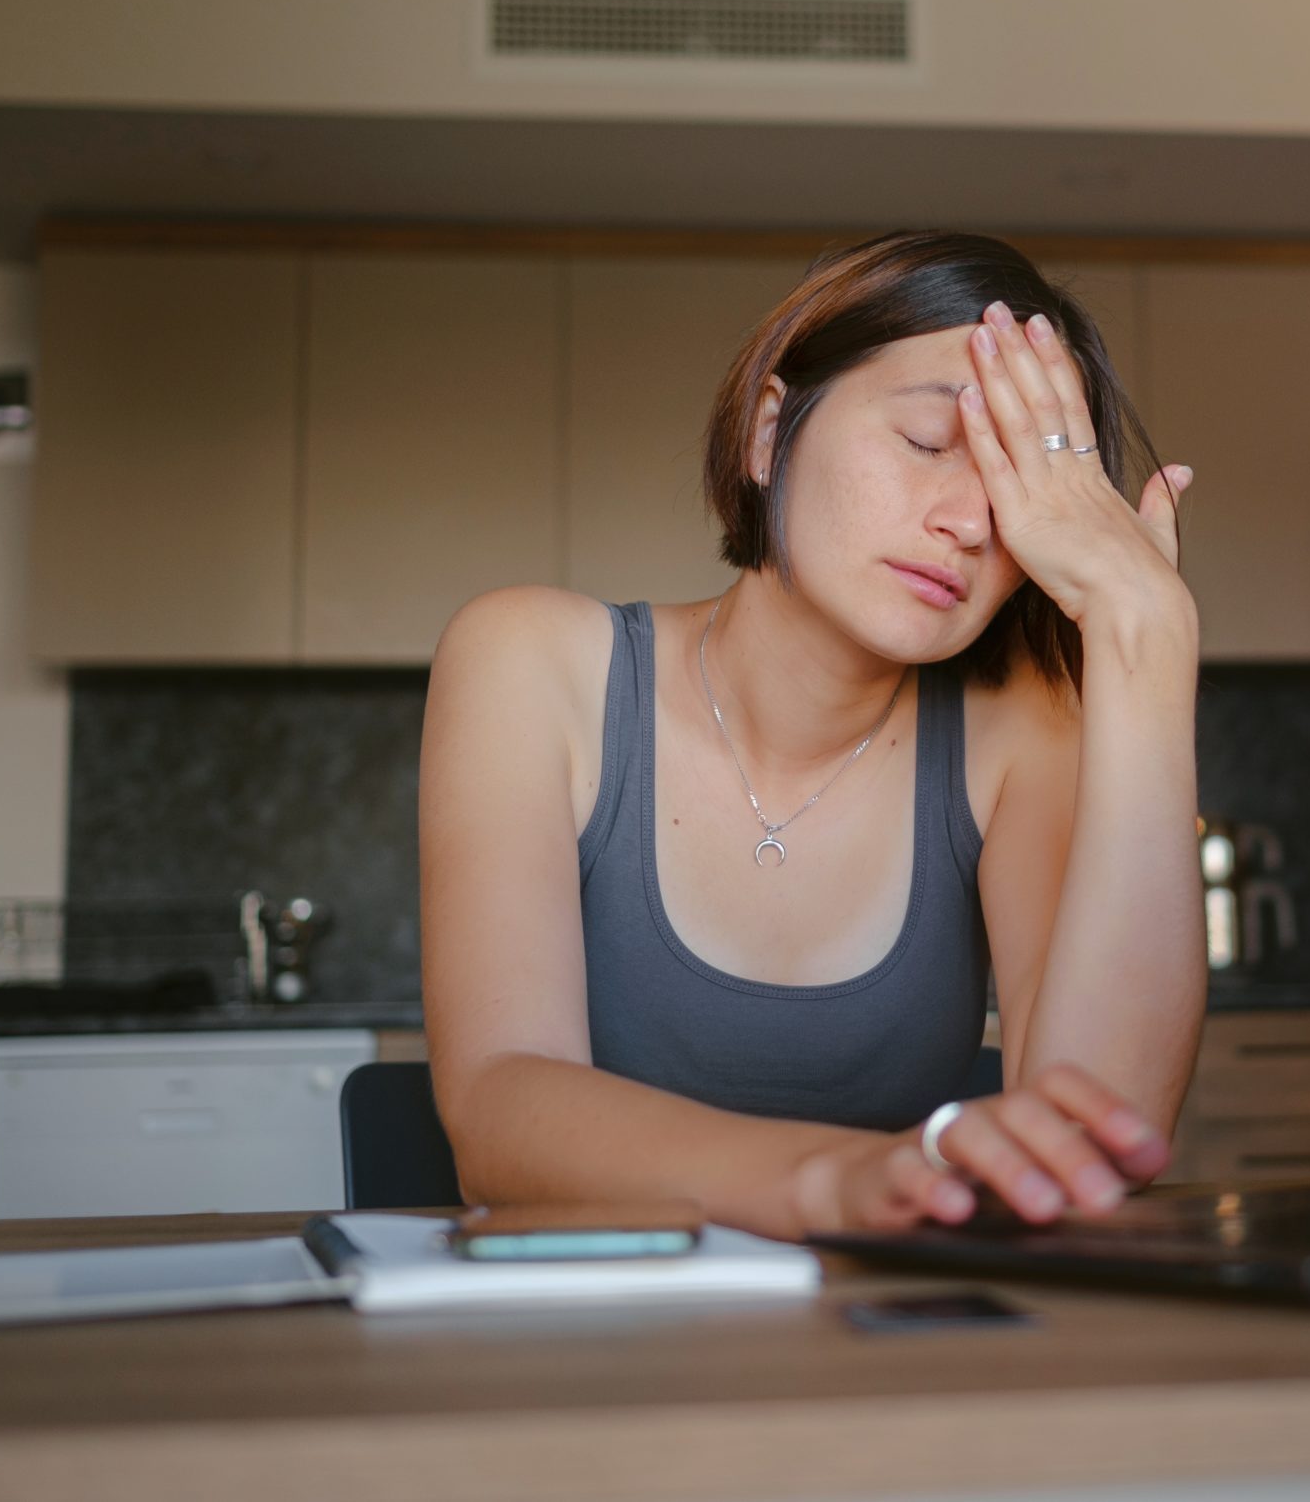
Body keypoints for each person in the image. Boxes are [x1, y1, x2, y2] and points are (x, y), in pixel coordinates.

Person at [418, 231, 1204, 1242]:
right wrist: (840, 1181)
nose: (970, 521)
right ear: (766, 429)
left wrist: (1146, 635)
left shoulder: (1020, 733)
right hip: (586, 1345)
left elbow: (1094, 1141)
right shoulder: (530, 660)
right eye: (927, 444)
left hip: (885, 1356)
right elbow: (497, 1108)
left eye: (1019, 493)